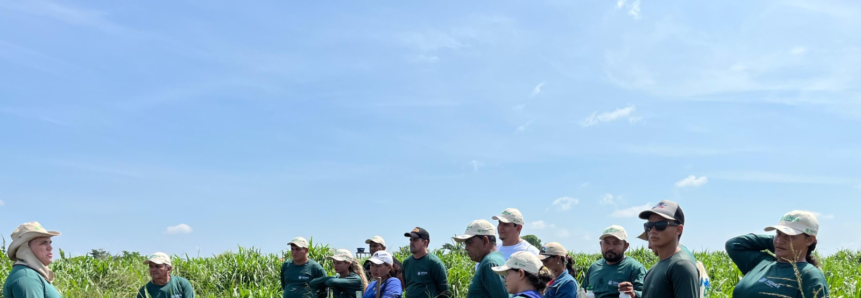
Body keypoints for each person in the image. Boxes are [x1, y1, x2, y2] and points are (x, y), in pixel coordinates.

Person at [726, 210, 829, 298]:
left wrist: (783, 245)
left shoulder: (809, 276)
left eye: (789, 236)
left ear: (809, 240)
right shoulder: (762, 263)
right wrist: (777, 244)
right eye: (778, 234)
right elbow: (734, 244)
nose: (780, 240)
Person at [627, 200, 698, 298]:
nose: (653, 231)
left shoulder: (681, 265)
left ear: (678, 229)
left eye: (660, 225)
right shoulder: (654, 269)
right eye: (649, 226)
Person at [583, 225, 646, 298]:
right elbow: (582, 292)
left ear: (626, 246)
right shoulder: (593, 267)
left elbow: (647, 294)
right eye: (606, 242)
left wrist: (633, 293)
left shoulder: (635, 268)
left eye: (616, 243)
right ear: (601, 244)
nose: (610, 248)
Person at [3, 222, 63, 298]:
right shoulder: (27, 278)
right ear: (26, 248)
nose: (50, 247)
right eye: (43, 243)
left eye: (49, 243)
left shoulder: (32, 275)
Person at [453, 219, 508, 298]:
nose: (466, 248)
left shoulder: (489, 264)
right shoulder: (493, 260)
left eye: (469, 242)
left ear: (485, 241)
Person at [402, 227, 450, 298]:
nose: (412, 243)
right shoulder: (406, 263)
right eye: (411, 240)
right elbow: (407, 286)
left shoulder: (434, 263)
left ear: (425, 242)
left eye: (415, 240)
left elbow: (445, 292)